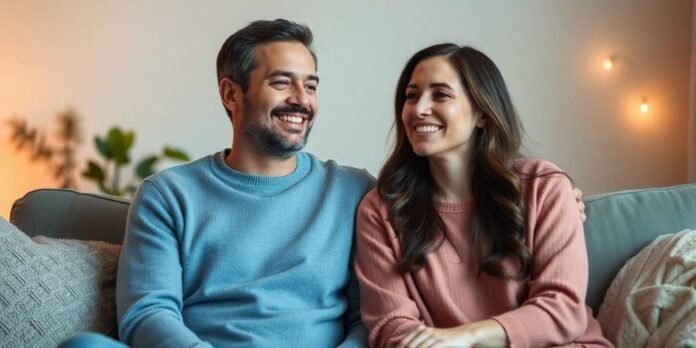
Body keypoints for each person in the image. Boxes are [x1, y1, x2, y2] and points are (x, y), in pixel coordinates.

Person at [354, 44, 612, 348]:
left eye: (441, 94)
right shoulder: (381, 209)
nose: (419, 108)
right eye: (412, 96)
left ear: (483, 115)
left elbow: (563, 310)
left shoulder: (544, 187)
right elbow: (392, 328)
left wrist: (466, 336)